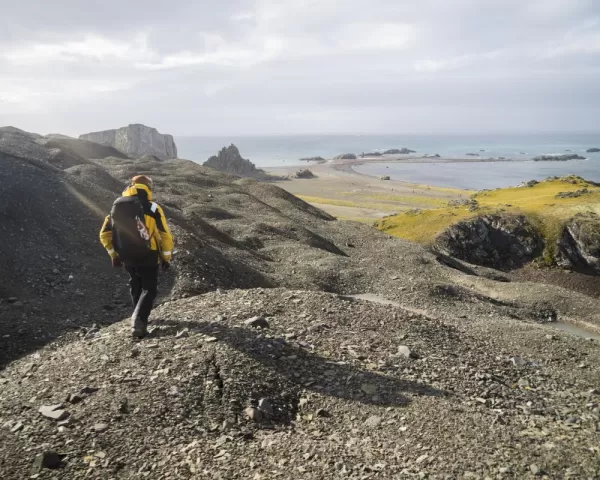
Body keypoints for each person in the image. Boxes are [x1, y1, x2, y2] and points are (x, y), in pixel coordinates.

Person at [100, 175, 174, 338]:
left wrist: (114, 254)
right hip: (149, 253)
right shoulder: (153, 207)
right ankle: (138, 323)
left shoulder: (116, 207)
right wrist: (166, 257)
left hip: (125, 254)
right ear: (148, 187)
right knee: (149, 288)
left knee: (135, 284)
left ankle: (139, 317)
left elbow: (104, 234)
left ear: (131, 186)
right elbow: (165, 234)